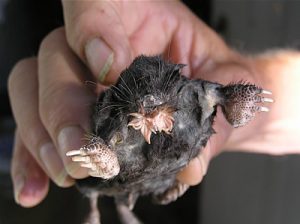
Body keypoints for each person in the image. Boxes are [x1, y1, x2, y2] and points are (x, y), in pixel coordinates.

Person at [7, 1, 300, 208]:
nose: (149, 105)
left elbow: (219, 95)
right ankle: (99, 204)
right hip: (125, 177)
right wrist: (103, 159)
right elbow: (104, 151)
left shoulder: (193, 95)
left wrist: (242, 98)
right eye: (141, 100)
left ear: (176, 81)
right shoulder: (116, 125)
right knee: (98, 168)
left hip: (162, 179)